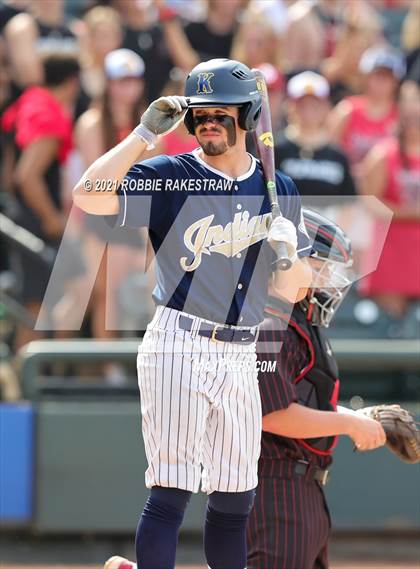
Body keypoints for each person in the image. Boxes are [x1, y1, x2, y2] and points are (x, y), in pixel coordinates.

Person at [73, 58, 312, 569]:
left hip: (243, 353)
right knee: (172, 487)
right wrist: (142, 135)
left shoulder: (279, 189)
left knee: (234, 497)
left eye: (221, 112)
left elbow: (292, 291)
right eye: (200, 113)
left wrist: (288, 251)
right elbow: (87, 197)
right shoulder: (171, 174)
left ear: (247, 117)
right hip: (179, 342)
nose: (208, 122)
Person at [247, 209, 386, 569]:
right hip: (273, 489)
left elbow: (301, 400)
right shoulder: (268, 323)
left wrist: (355, 418)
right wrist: (349, 425)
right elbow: (273, 414)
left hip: (304, 489)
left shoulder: (299, 322)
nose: (327, 279)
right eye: (319, 265)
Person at [75, 48, 150, 369]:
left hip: (136, 218)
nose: (126, 89)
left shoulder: (148, 122)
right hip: (100, 219)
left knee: (146, 295)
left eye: (132, 81)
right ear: (108, 84)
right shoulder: (92, 123)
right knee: (105, 297)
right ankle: (107, 370)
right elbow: (99, 182)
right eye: (120, 81)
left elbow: (148, 178)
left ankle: (143, 367)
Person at [1, 53, 80, 348]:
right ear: (73, 82)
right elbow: (26, 176)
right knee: (41, 303)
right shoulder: (49, 115)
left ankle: (48, 373)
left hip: (21, 214)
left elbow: (9, 175)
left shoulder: (27, 101)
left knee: (41, 301)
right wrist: (51, 219)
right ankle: (41, 377)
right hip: (37, 221)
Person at [358, 79, 420, 318]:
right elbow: (368, 200)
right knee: (391, 324)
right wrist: (409, 213)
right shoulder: (384, 153)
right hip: (390, 250)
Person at [275, 71, 356, 204]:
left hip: (326, 223)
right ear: (291, 107)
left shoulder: (337, 156)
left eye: (315, 105)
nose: (308, 111)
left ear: (326, 107)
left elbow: (348, 204)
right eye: (302, 105)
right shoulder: (276, 150)